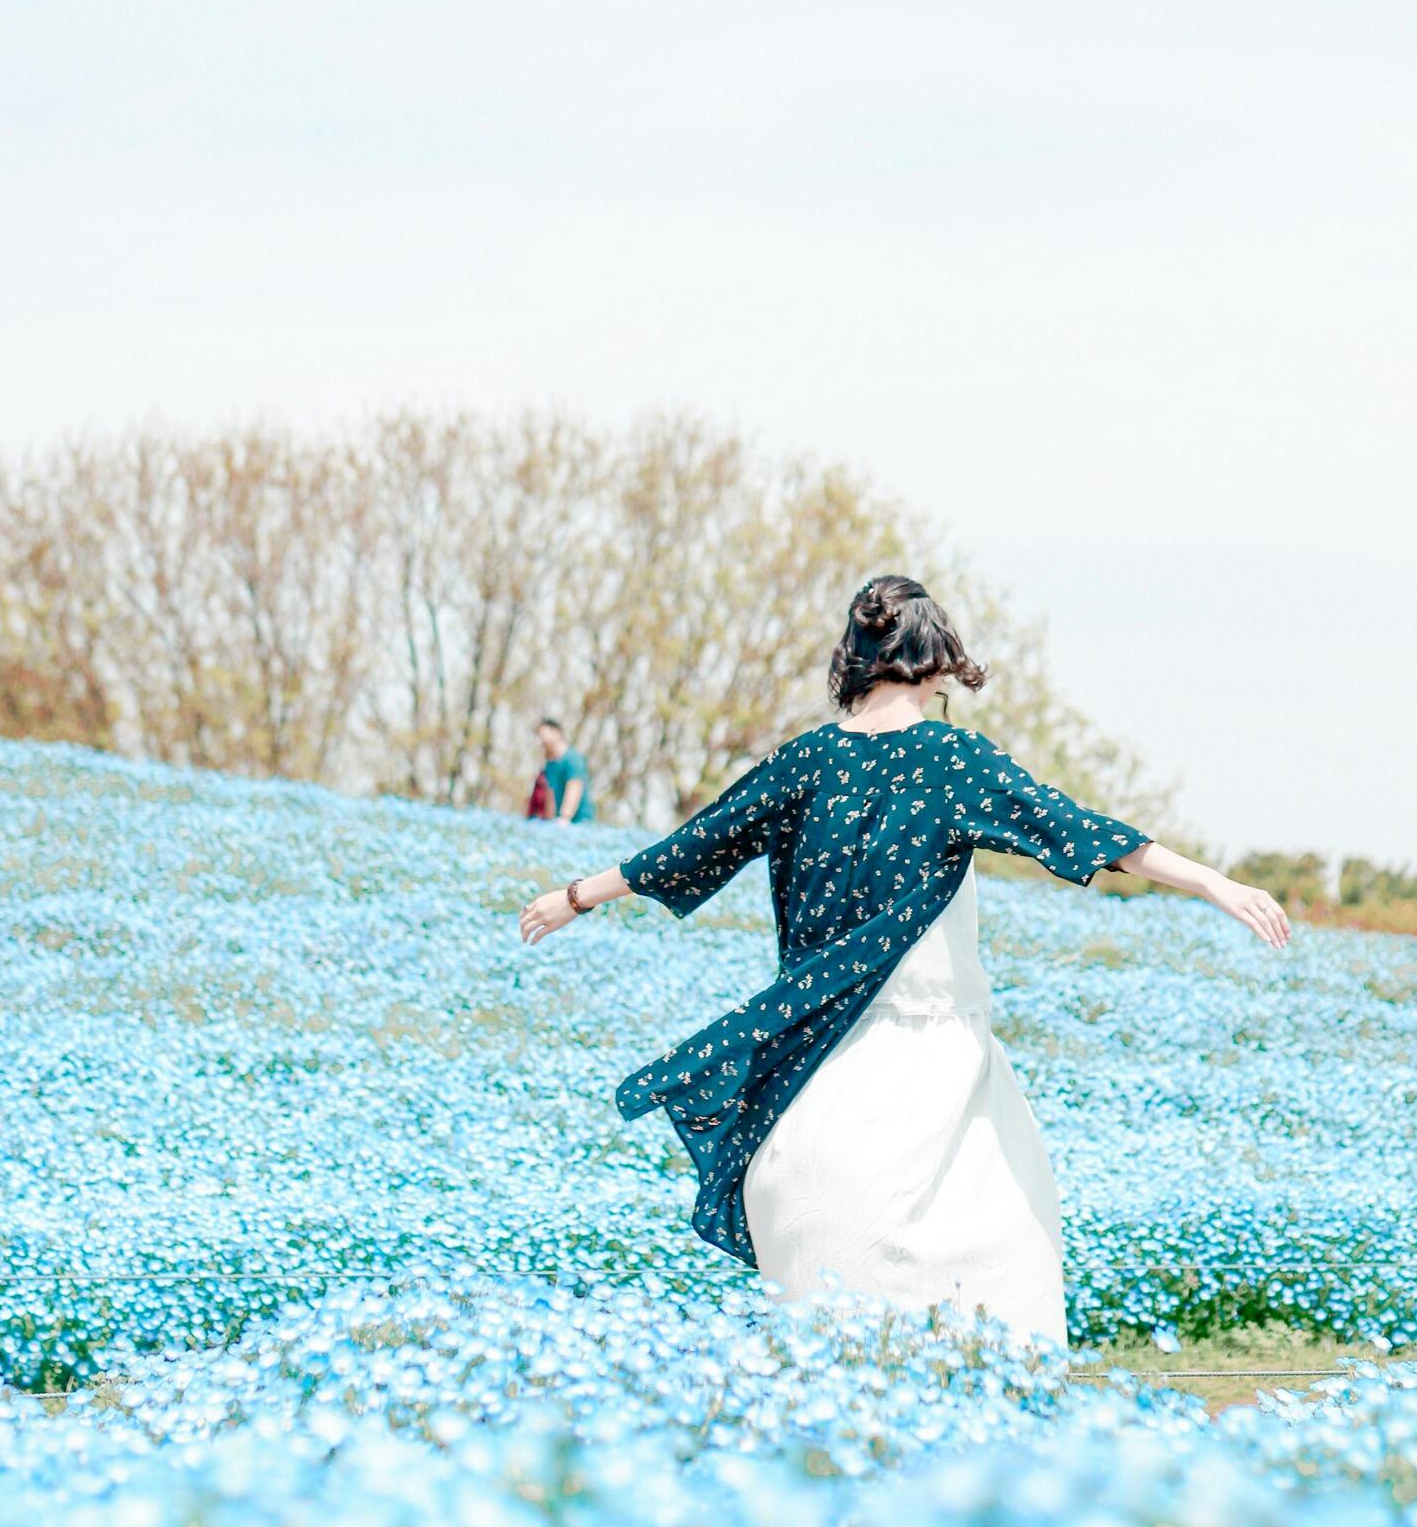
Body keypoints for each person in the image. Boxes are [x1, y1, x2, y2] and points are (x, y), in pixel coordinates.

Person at [516, 574, 1287, 1347]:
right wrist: (1213, 882)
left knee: (825, 1334)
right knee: (992, 1291)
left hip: (811, 1071)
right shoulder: (954, 760)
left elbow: (694, 846)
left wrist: (577, 895)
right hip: (935, 1073)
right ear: (938, 659)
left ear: (853, 656)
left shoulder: (807, 759)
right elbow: (1081, 830)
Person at [534, 716, 594, 823]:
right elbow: (550, 794)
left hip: (578, 821)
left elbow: (574, 786)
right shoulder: (550, 764)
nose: (541, 741)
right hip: (558, 822)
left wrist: (565, 817)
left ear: (556, 733)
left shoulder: (572, 758)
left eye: (543, 735)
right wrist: (549, 820)